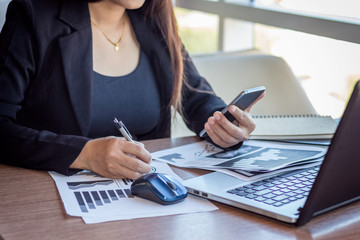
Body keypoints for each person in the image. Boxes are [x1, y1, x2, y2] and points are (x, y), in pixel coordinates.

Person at [0, 0, 263, 179]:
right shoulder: (33, 14)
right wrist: (83, 154)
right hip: (51, 201)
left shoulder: (153, 19)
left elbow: (195, 97)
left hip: (147, 199)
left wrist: (224, 126)